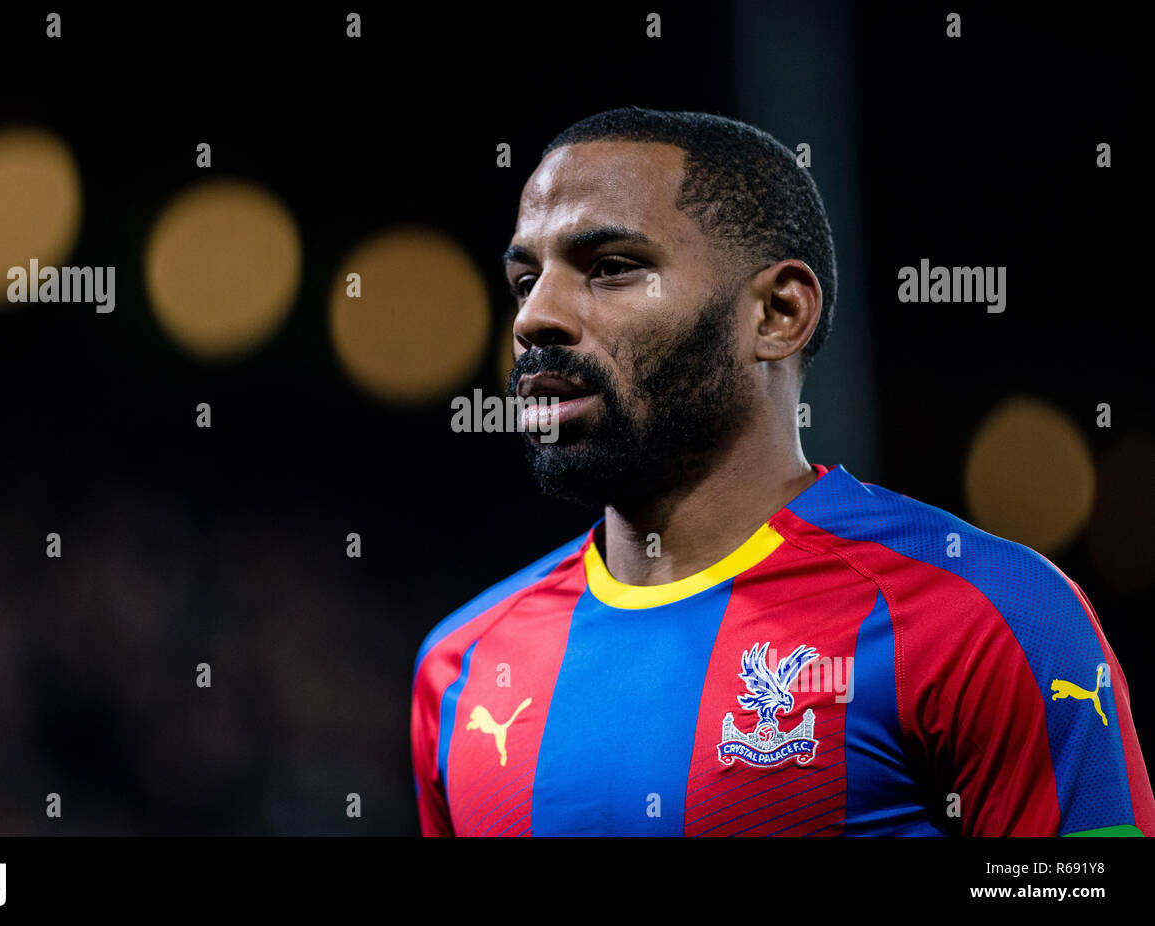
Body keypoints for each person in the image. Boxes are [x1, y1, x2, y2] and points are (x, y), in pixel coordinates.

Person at [410, 107, 1154, 836]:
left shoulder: (988, 615)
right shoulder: (462, 670)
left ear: (776, 314)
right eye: (524, 280)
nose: (534, 318)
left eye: (610, 269)